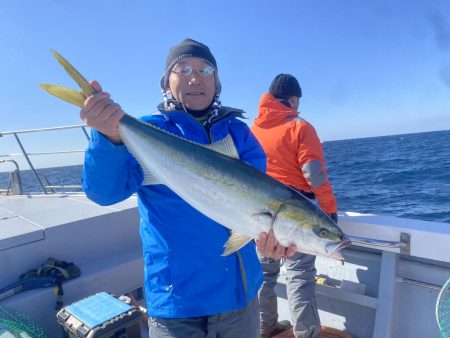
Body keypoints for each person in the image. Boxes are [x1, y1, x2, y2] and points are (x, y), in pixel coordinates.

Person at [79, 39, 295, 338]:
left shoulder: (239, 133)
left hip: (239, 297)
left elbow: (252, 203)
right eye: (183, 69)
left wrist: (275, 239)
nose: (195, 77)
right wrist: (108, 138)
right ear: (166, 83)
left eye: (206, 69)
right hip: (176, 302)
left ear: (217, 82)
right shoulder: (149, 130)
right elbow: (104, 193)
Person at [251, 74, 338, 338]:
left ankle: (265, 329)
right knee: (299, 276)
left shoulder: (253, 130)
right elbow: (314, 174)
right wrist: (329, 211)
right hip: (294, 217)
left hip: (260, 216)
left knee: (265, 276)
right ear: (293, 98)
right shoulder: (300, 127)